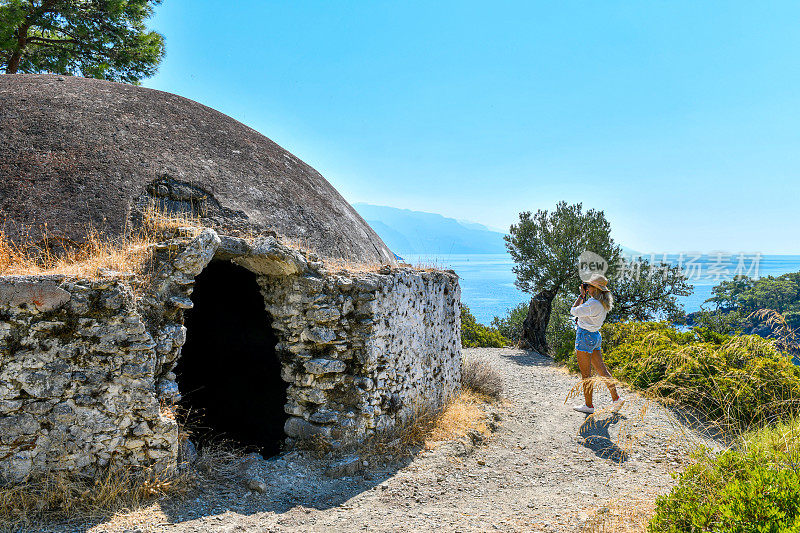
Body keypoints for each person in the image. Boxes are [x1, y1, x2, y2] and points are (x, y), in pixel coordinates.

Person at [570, 273, 624, 414]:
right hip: (595, 336)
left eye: (588, 286)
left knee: (586, 374)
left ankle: (589, 405)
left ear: (593, 288)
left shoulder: (592, 303)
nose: (586, 287)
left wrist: (581, 295)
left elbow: (573, 311)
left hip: (585, 337)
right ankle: (616, 399)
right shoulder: (603, 303)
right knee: (602, 370)